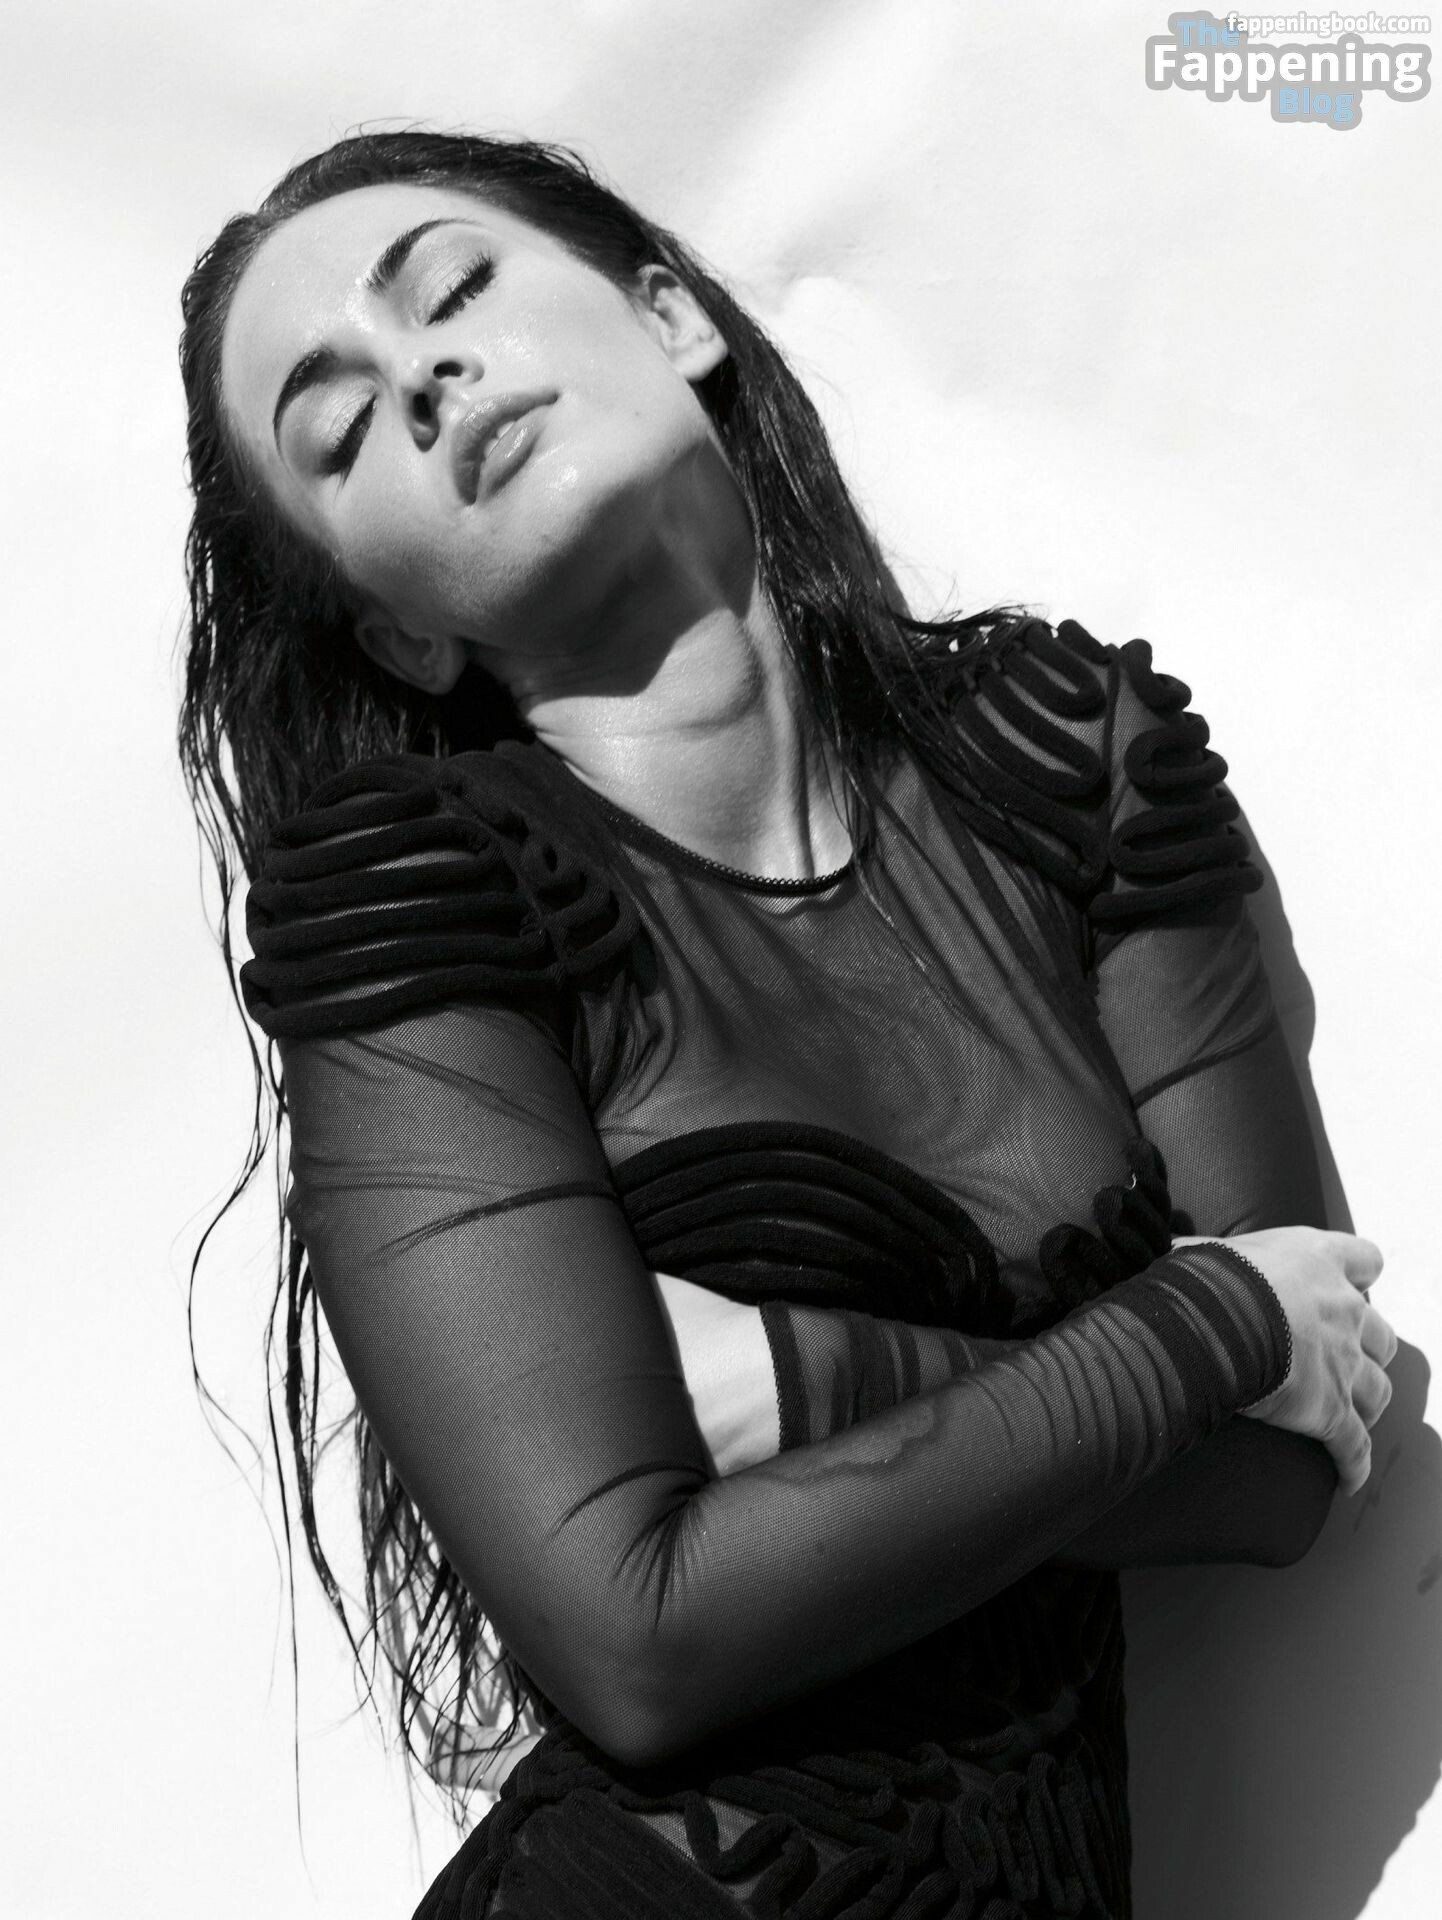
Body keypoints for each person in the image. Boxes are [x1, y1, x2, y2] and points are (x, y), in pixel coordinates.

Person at [180, 130, 1397, 1919]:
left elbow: (1293, 1464)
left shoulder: (1069, 760)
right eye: (343, 431)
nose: (423, 380)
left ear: (672, 317)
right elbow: (636, 1635)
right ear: (401, 638)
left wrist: (798, 1382)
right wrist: (1206, 1324)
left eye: (453, 291)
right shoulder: (415, 893)